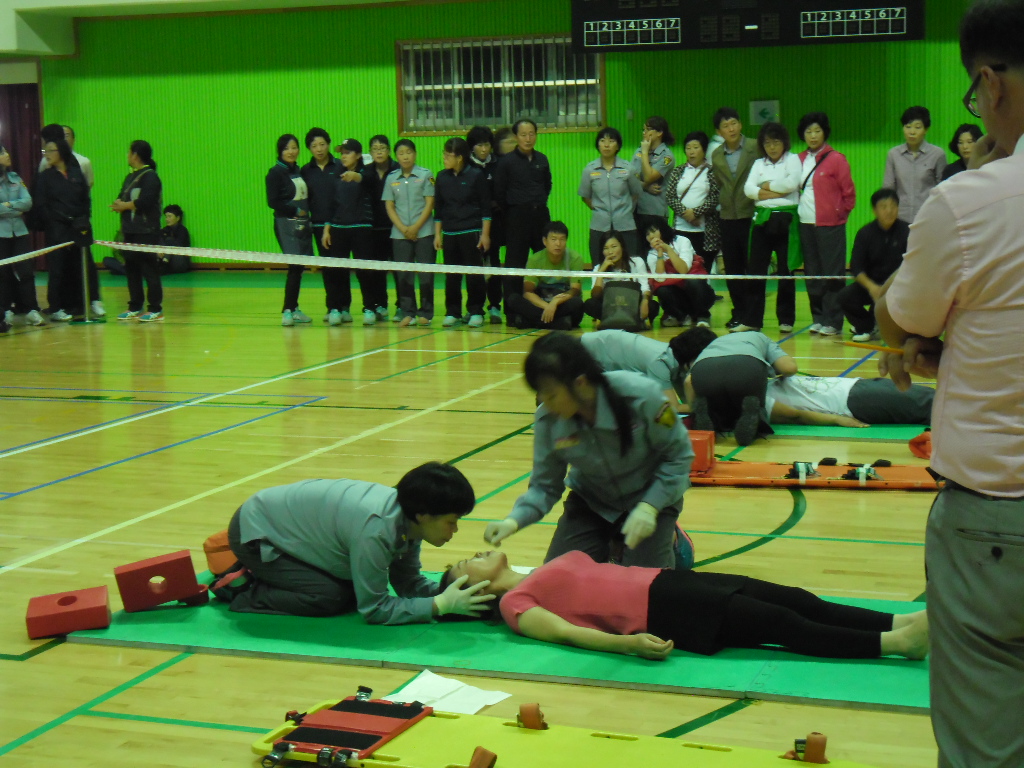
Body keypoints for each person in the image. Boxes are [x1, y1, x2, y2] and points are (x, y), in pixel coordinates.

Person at [875, 3, 1024, 763]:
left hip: (997, 519)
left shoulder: (971, 200)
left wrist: (919, 339)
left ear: (990, 84)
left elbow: (900, 322)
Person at [443, 549, 930, 660]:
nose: (469, 555)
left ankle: (899, 619)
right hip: (663, 611)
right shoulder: (515, 603)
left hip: (669, 583)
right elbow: (567, 634)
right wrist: (629, 645)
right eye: (460, 566)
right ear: (474, 592)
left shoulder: (534, 570)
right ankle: (896, 644)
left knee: (797, 599)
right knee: (780, 622)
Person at [483, 333, 694, 569]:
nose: (545, 403)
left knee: (642, 582)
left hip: (651, 497)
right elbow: (545, 486)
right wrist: (513, 520)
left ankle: (675, 541)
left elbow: (679, 456)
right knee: (557, 578)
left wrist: (650, 506)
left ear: (580, 383)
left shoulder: (642, 396)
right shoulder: (548, 420)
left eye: (551, 395)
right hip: (593, 503)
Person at [224, 462, 493, 624]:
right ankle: (244, 590)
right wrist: (440, 605)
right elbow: (375, 609)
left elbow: (406, 582)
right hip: (257, 533)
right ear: (423, 515)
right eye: (451, 521)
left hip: (286, 527)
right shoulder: (376, 529)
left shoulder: (409, 518)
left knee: (351, 590)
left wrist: (451, 594)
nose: (455, 529)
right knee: (330, 597)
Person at [737, 122, 801, 334]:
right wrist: (776, 191)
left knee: (785, 270)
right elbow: (748, 190)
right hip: (761, 218)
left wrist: (764, 186)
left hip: (786, 218)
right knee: (756, 270)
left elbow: (791, 184)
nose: (772, 147)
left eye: (776, 142)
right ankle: (752, 319)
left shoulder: (793, 160)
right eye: (767, 143)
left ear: (784, 143)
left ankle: (786, 319)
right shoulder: (758, 163)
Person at [796, 112, 856, 337]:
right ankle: (818, 318)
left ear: (825, 133)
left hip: (831, 225)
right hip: (805, 223)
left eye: (817, 131)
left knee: (832, 274)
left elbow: (849, 194)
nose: (813, 136)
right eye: (808, 131)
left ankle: (834, 321)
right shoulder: (798, 159)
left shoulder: (836, 159)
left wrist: (838, 214)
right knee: (812, 274)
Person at [685, 330, 798, 446]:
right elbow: (789, 368)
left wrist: (693, 409)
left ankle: (708, 416)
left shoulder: (715, 343)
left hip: (704, 369)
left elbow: (688, 382)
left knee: (714, 402)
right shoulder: (763, 338)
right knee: (752, 402)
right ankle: (753, 417)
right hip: (746, 367)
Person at [33, 137, 98, 322]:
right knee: (57, 269)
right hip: (57, 229)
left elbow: (85, 199)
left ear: (61, 152)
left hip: (78, 227)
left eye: (51, 150)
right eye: (45, 151)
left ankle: (80, 304)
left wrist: (83, 219)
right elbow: (41, 204)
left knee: (78, 266)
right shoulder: (45, 177)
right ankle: (55, 307)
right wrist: (54, 221)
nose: (47, 154)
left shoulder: (76, 174)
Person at [493, 118, 552, 318]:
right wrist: (514, 210)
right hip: (516, 217)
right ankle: (512, 312)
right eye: (523, 135)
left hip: (540, 216)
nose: (528, 138)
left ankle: (544, 308)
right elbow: (499, 192)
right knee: (515, 264)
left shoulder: (542, 159)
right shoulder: (506, 162)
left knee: (543, 260)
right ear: (516, 137)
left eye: (531, 134)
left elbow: (547, 185)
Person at [433, 137, 490, 328]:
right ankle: (453, 312)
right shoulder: (441, 177)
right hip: (450, 232)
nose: (444, 158)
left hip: (471, 230)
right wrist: (438, 234)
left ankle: (476, 310)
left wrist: (485, 234)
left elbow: (486, 208)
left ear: (459, 157)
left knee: (474, 274)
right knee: (452, 275)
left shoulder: (476, 175)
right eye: (444, 154)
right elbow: (439, 209)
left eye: (448, 155)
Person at [838, 189, 909, 342]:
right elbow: (856, 267)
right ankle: (866, 327)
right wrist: (872, 287)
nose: (889, 211)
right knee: (845, 296)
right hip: (873, 286)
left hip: (900, 286)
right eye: (883, 206)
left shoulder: (908, 231)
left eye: (893, 206)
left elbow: (915, 265)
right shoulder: (865, 233)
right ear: (874, 210)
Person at [710, 108, 759, 329]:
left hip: (751, 215)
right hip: (728, 216)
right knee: (732, 268)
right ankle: (738, 312)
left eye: (734, 123)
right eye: (725, 126)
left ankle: (752, 316)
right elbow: (719, 184)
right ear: (718, 131)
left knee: (752, 267)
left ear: (740, 124)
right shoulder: (717, 154)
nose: (731, 129)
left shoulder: (755, 147)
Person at [323, 139, 377, 325]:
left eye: (347, 153)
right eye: (342, 153)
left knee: (365, 271)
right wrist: (327, 228)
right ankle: (337, 308)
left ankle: (369, 308)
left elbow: (369, 181)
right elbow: (331, 204)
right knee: (337, 271)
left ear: (358, 155)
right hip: (339, 228)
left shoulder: (368, 172)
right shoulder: (335, 175)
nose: (343, 156)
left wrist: (356, 177)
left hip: (361, 228)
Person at [383, 139, 435, 328]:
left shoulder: (426, 175)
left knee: (426, 274)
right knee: (403, 274)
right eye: (401, 153)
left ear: (415, 154)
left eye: (408, 152)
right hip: (400, 234)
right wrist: (403, 228)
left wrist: (415, 228)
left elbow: (430, 203)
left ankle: (426, 313)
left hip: (424, 232)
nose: (405, 156)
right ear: (396, 156)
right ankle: (408, 312)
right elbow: (389, 205)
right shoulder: (391, 178)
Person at [579, 328, 694, 410]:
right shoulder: (660, 362)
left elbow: (684, 400)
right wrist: (700, 409)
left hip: (605, 345)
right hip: (591, 348)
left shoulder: (673, 357)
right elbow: (673, 407)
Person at [300, 128, 348, 324]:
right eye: (314, 146)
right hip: (318, 224)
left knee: (342, 265)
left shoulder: (340, 166)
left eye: (322, 144)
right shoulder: (305, 171)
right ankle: (333, 306)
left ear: (328, 144)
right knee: (328, 267)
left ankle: (344, 306)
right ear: (309, 149)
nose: (319, 149)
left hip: (340, 223)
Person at [764, 374, 934, 428]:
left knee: (929, 398)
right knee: (929, 403)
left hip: (854, 386)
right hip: (852, 401)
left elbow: (789, 367)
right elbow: (794, 415)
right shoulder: (759, 397)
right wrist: (836, 419)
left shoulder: (762, 380)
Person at [266, 134, 313, 327]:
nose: (291, 152)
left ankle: (293, 308)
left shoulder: (298, 170)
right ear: (280, 151)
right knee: (294, 266)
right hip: (286, 223)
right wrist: (295, 211)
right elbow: (272, 201)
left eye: (294, 147)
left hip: (303, 223)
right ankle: (287, 310)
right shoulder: (274, 173)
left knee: (300, 267)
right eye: (286, 148)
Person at [504, 221, 584, 330]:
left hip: (562, 303)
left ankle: (532, 321)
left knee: (577, 303)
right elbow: (528, 292)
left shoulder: (575, 258)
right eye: (553, 239)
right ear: (545, 241)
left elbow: (575, 290)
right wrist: (547, 306)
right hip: (541, 303)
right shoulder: (535, 259)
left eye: (562, 239)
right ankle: (559, 323)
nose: (558, 244)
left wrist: (555, 302)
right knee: (513, 299)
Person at [579, 126, 642, 264]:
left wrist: (625, 209)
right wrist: (599, 209)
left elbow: (636, 193)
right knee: (599, 264)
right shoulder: (589, 169)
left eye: (611, 141)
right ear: (598, 145)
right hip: (599, 225)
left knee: (630, 264)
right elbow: (585, 196)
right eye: (602, 141)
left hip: (625, 225)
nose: (606, 145)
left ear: (618, 146)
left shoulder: (628, 168)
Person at [0, 145, 42, 329]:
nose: (7, 155)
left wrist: (7, 206)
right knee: (3, 274)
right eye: (2, 153)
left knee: (26, 271)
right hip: (1, 234)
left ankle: (31, 309)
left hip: (20, 231)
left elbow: (28, 202)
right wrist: (14, 208)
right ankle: (5, 310)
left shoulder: (15, 178)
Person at [665, 131, 720, 269]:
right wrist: (686, 214)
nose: (691, 151)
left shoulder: (712, 172)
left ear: (704, 150)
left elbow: (715, 198)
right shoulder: (678, 171)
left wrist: (695, 213)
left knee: (702, 268)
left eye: (696, 147)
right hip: (680, 228)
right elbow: (670, 196)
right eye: (688, 148)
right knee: (681, 268)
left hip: (705, 231)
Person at [644, 221, 714, 328]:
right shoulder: (651, 255)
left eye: (653, 231)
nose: (651, 236)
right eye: (647, 234)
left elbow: (683, 270)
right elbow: (660, 279)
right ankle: (683, 317)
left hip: (699, 292)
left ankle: (702, 316)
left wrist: (668, 249)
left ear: (663, 229)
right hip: (678, 295)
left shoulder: (682, 241)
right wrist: (660, 253)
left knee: (693, 281)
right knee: (663, 290)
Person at [883, 106, 947, 224]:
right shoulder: (893, 154)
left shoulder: (937, 154)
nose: (912, 132)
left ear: (926, 129)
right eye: (908, 127)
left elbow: (943, 189)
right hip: (900, 218)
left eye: (917, 127)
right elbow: (888, 188)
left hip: (928, 216)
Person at [467, 125, 503, 324]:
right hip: (472, 223)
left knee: (494, 264)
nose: (483, 149)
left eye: (487, 145)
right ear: (472, 147)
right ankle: (474, 308)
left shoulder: (498, 164)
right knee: (473, 267)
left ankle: (495, 305)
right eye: (479, 145)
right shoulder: (466, 166)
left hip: (495, 224)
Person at [583, 230, 654, 330]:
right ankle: (616, 320)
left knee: (653, 306)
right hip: (610, 307)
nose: (610, 252)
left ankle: (617, 321)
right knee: (590, 304)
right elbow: (595, 295)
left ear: (622, 247)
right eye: (606, 248)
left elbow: (645, 287)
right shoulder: (598, 268)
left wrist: (645, 301)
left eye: (614, 246)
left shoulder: (637, 262)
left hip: (631, 305)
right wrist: (601, 272)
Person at [367, 135, 400, 322]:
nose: (379, 152)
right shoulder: (366, 172)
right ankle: (380, 304)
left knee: (398, 269)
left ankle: (402, 305)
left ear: (388, 150)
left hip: (396, 228)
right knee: (377, 270)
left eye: (382, 148)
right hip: (373, 229)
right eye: (375, 149)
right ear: (370, 152)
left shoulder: (398, 170)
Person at [38, 124, 94, 189]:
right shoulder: (45, 161)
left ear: (73, 139)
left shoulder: (84, 162)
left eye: (67, 135)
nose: (64, 138)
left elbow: (88, 184)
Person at [159, 204, 191, 274]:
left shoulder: (182, 230)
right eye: (166, 217)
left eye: (170, 216)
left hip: (180, 261)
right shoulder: (164, 230)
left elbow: (178, 246)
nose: (167, 219)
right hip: (167, 261)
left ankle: (164, 263)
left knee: (169, 240)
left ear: (178, 218)